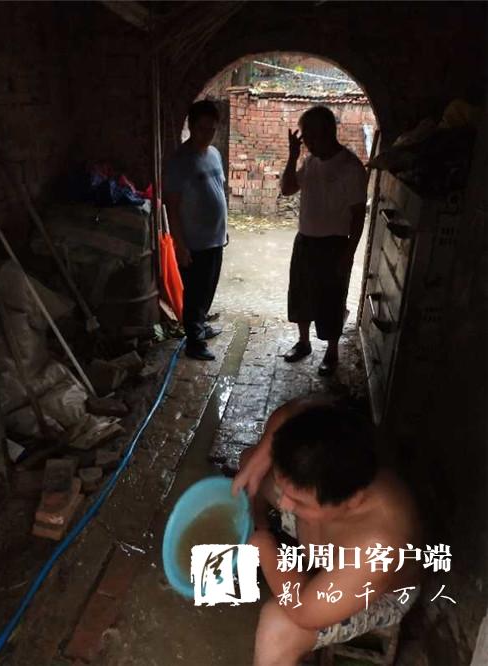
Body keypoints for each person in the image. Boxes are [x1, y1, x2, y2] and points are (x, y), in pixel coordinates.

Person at [232, 398, 423, 666]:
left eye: (299, 502)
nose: (284, 504)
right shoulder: (331, 444)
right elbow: (292, 411)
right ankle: (259, 521)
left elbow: (305, 611)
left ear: (353, 501)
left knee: (278, 626)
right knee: (251, 465)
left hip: (371, 590)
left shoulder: (380, 544)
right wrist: (264, 453)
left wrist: (263, 545)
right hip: (324, 532)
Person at [281, 105, 368, 375]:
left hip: (334, 246)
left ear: (328, 132)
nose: (306, 142)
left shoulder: (351, 168)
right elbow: (287, 189)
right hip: (305, 240)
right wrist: (293, 156)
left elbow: (358, 216)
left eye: (310, 136)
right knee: (301, 295)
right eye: (305, 137)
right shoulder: (310, 162)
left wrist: (349, 254)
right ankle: (304, 342)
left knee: (331, 300)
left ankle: (332, 352)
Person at [165, 100, 227, 361]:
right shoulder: (179, 161)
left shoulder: (214, 154)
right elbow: (172, 206)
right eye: (202, 129)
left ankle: (200, 325)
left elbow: (218, 190)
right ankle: (194, 342)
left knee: (208, 287)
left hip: (215, 238)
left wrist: (224, 229)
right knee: (194, 292)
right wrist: (180, 245)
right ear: (191, 126)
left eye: (212, 129)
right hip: (194, 242)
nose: (207, 134)